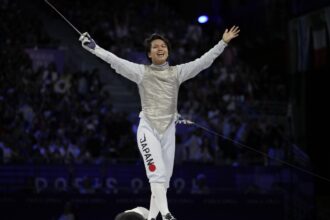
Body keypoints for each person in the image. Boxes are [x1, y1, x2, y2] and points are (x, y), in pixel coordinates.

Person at [79, 25, 240, 220]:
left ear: (168, 51)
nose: (160, 48)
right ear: (149, 54)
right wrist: (94, 48)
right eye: (155, 46)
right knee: (156, 175)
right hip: (148, 129)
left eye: (163, 45)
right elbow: (116, 62)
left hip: (168, 132)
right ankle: (166, 214)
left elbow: (202, 62)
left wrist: (222, 43)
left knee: (164, 183)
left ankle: (152, 218)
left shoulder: (177, 72)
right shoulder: (141, 72)